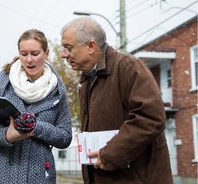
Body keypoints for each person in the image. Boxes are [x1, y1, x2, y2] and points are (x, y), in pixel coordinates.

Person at [60, 17, 173, 184]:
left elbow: (151, 118)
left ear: (91, 46)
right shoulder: (86, 80)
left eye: (68, 48)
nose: (63, 55)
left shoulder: (129, 67)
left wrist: (110, 154)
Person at [0, 29, 72, 184]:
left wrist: (36, 128)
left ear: (46, 53)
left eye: (35, 53)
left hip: (37, 174)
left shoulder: (57, 92)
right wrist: (8, 135)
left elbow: (65, 137)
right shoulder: (4, 84)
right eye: (24, 54)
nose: (29, 60)